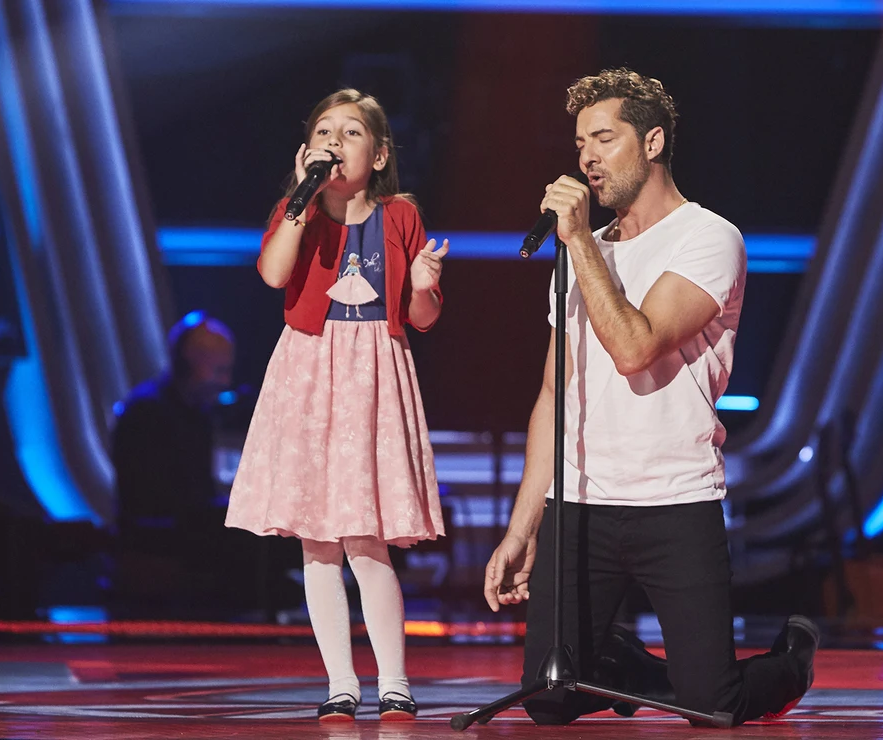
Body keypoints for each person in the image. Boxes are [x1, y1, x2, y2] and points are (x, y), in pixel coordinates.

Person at [482, 68, 816, 727]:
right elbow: (554, 392)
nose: (586, 158)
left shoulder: (707, 238)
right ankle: (630, 665)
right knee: (549, 702)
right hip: (581, 505)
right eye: (581, 143)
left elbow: (635, 348)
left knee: (712, 709)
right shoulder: (583, 255)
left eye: (604, 139)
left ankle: (792, 662)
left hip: (675, 502)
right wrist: (523, 528)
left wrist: (577, 241)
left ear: (653, 141)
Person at [225, 89, 448, 722]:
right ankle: (340, 683)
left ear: (378, 154)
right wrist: (298, 202)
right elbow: (273, 275)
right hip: (309, 370)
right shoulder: (298, 211)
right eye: (324, 130)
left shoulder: (401, 217)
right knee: (318, 543)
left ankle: (396, 681)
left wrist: (427, 287)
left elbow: (421, 317)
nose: (334, 142)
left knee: (365, 539)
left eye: (350, 133)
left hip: (373, 370)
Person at [111, 312, 238, 608]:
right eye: (219, 370)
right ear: (186, 362)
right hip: (154, 548)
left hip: (186, 541)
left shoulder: (200, 416)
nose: (226, 381)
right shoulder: (145, 413)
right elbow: (152, 502)